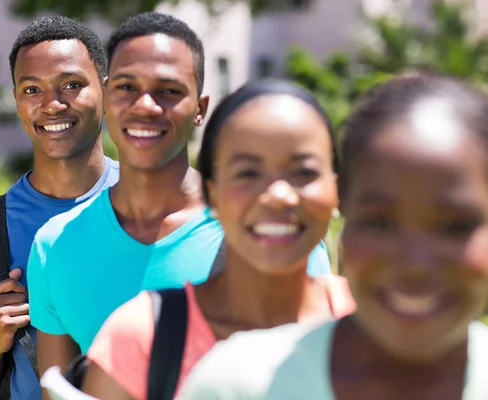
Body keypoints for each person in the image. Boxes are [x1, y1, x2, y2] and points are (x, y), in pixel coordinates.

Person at [27, 12, 334, 388]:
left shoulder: (269, 230)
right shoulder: (55, 245)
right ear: (105, 97)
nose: (146, 106)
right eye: (126, 87)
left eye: (168, 91)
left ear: (200, 108)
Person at [179, 74, 488, 400]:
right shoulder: (238, 385)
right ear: (340, 212)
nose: (415, 264)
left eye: (454, 227)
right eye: (379, 224)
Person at [79, 80, 356, 400]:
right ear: (211, 194)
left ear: (336, 188)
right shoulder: (141, 339)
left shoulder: (376, 324)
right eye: (248, 174)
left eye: (304, 172)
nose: (279, 196)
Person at [0, 16, 119, 400]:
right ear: (17, 100)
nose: (52, 105)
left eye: (71, 85)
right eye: (32, 89)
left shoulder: (149, 201)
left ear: (105, 90)